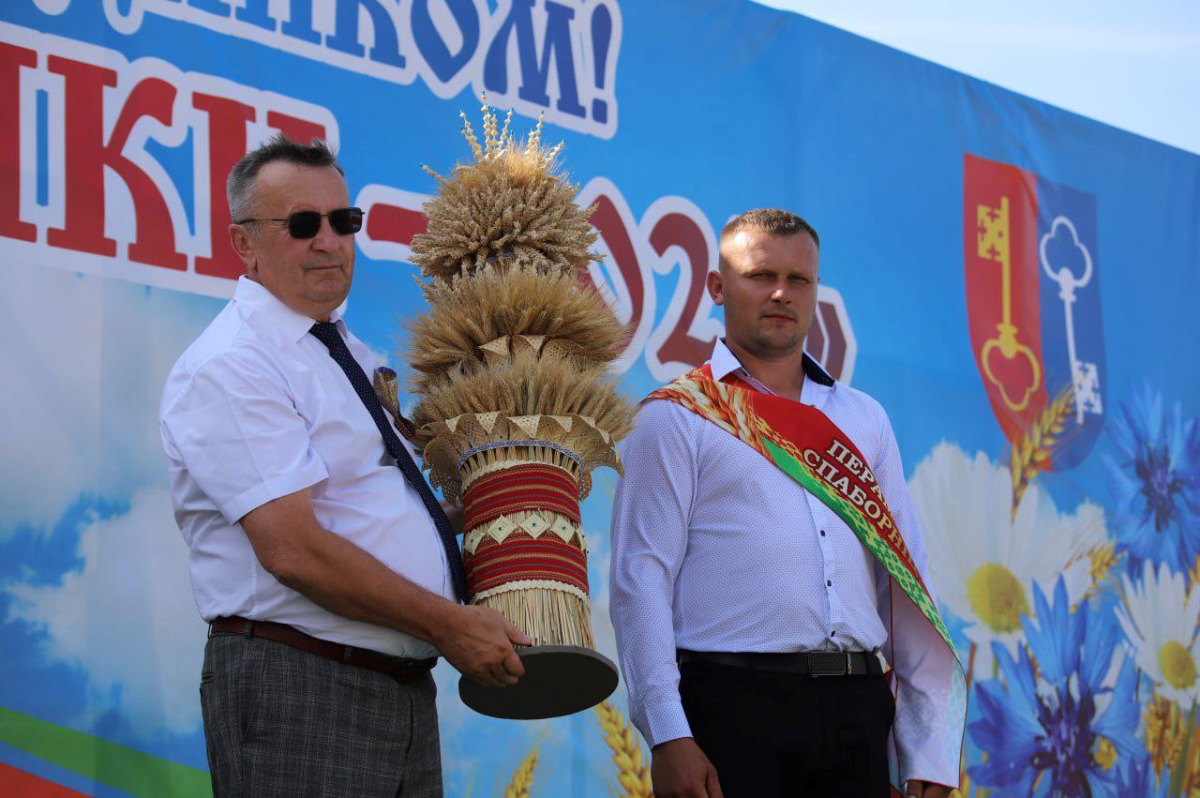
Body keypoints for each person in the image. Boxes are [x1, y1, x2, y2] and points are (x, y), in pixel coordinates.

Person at [160, 134, 530, 797]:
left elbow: (366, 509)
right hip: (301, 688)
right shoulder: (234, 363)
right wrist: (450, 625)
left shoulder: (346, 351)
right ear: (244, 243)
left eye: (343, 220)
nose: (328, 241)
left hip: (399, 688)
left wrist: (493, 505)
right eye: (303, 224)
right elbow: (294, 551)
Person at [609, 209, 963, 798]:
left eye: (799, 279)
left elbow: (904, 581)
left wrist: (929, 749)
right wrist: (668, 735)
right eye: (760, 275)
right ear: (717, 287)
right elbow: (639, 580)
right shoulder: (675, 416)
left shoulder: (864, 419)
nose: (781, 293)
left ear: (816, 290)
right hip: (731, 707)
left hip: (858, 709)